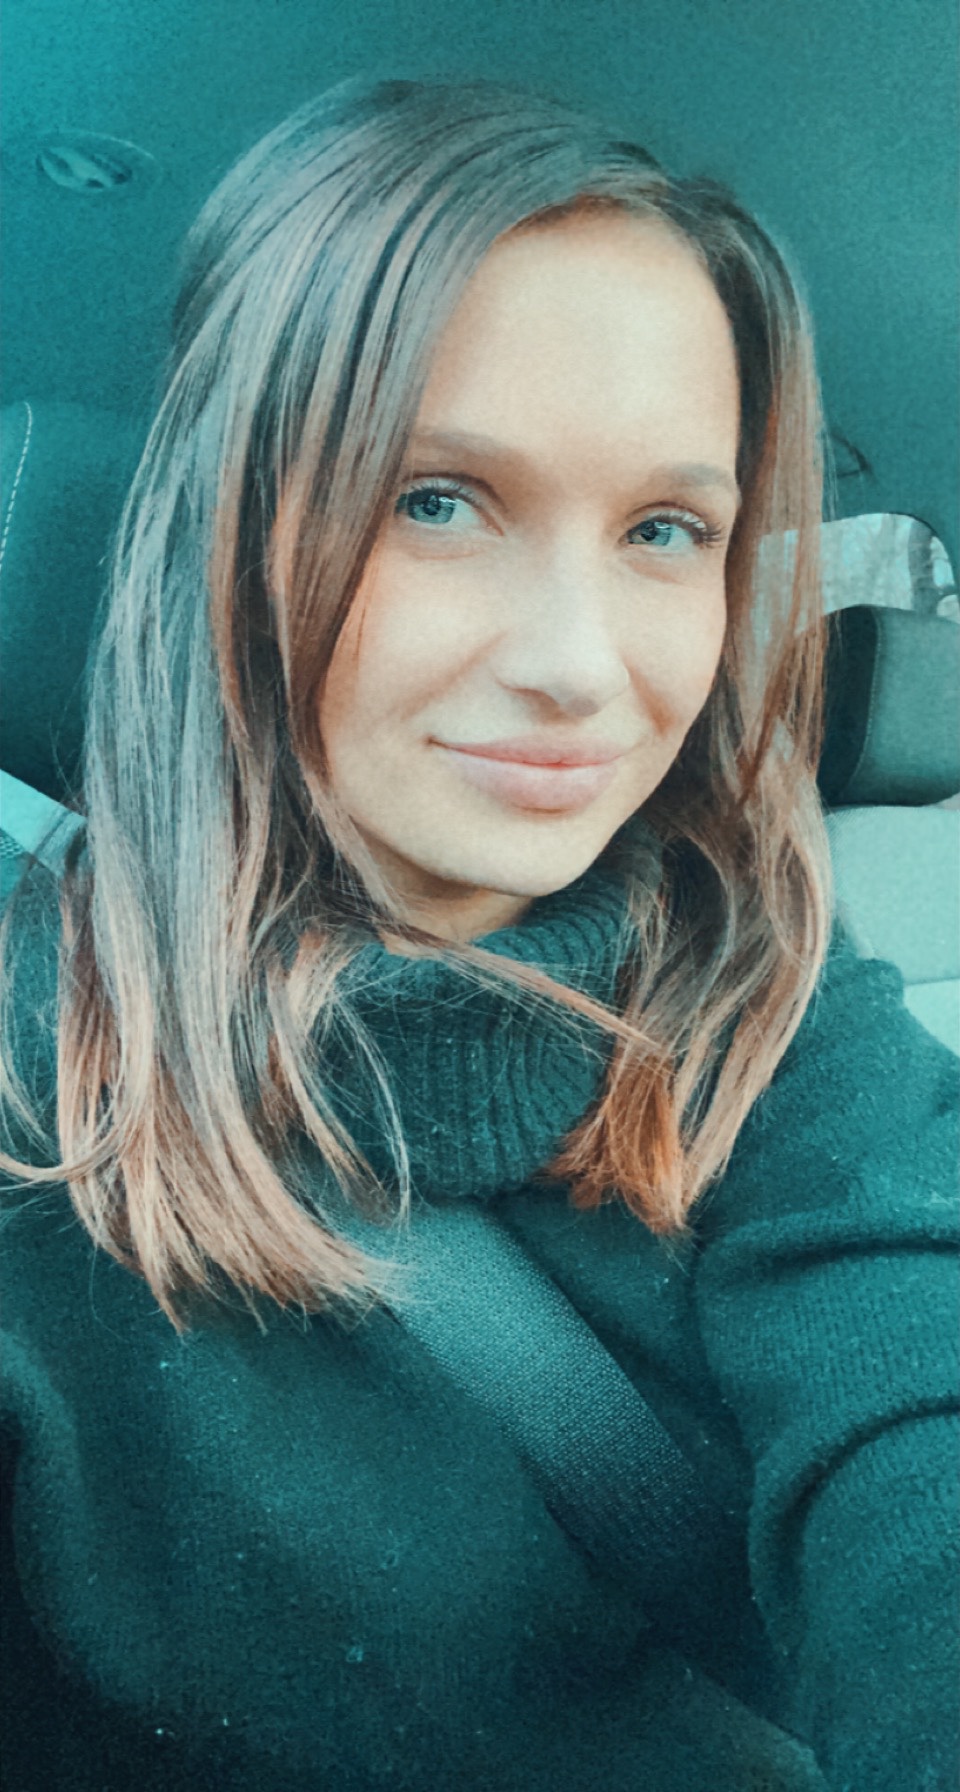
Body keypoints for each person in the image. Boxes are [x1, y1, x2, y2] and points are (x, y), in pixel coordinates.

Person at [0, 73, 957, 1792]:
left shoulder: (782, 1013)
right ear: (225, 524)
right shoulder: (24, 1082)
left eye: (666, 530)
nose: (581, 665)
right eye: (435, 498)